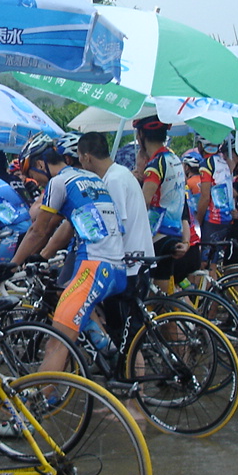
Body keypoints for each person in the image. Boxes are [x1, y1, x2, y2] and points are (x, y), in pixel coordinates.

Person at [2, 134, 126, 374]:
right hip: (116, 268)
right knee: (64, 296)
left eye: (30, 172)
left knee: (56, 344)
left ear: (41, 164)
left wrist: (12, 265)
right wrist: (42, 255)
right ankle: (111, 356)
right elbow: (60, 226)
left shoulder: (59, 182)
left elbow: (38, 230)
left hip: (94, 268)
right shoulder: (91, 177)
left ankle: (38, 395)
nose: (33, 179)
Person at [76, 132, 154, 352]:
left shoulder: (113, 181)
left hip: (129, 266)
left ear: (87, 157)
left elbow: (114, 226)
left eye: (80, 157)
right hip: (134, 261)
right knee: (126, 333)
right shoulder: (120, 174)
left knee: (127, 339)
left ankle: (134, 374)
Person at [134, 116, 187, 292]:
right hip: (174, 231)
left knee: (143, 291)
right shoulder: (174, 159)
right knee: (162, 296)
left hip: (157, 234)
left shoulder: (155, 165)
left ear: (141, 135)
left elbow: (144, 202)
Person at [195, 138, 234, 269]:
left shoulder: (206, 164)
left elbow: (205, 197)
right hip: (226, 218)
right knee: (213, 263)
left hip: (213, 219)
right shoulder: (224, 162)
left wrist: (197, 221)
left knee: (203, 264)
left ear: (201, 146)